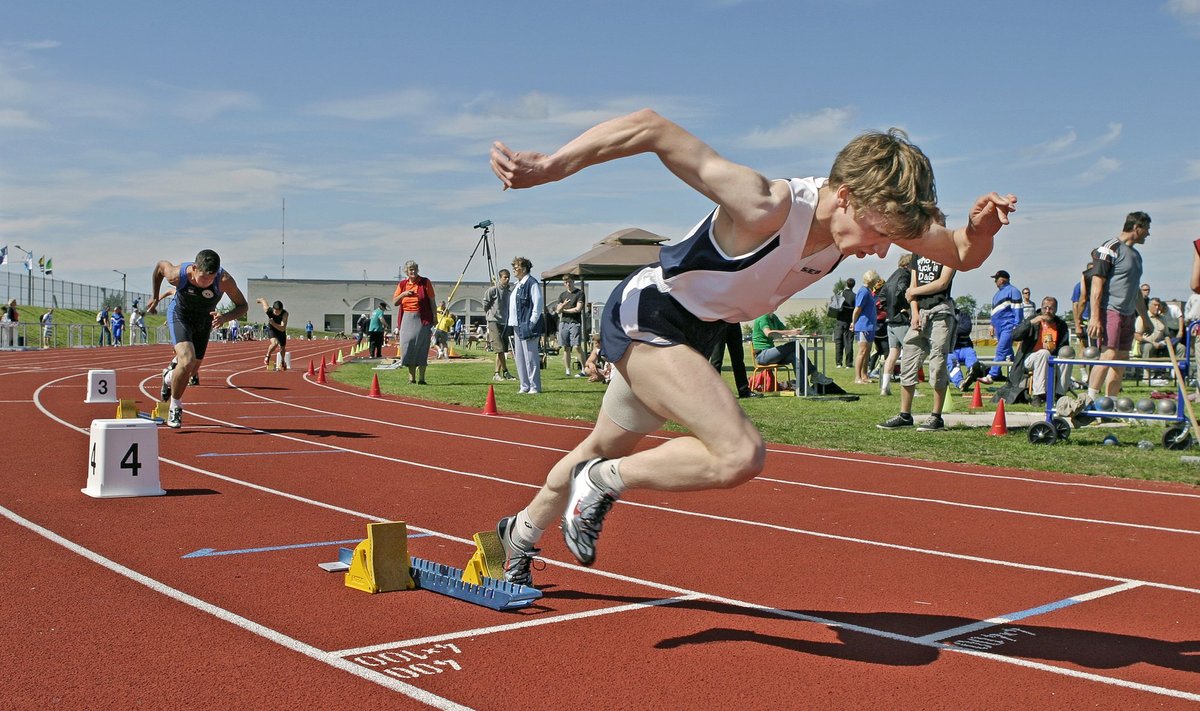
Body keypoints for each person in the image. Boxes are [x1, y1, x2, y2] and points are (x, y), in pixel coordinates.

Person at [487, 109, 1015, 585]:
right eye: (877, 235)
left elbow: (964, 252)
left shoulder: (873, 215)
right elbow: (651, 127)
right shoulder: (766, 206)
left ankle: (518, 534)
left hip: (701, 334)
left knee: (600, 445)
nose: (878, 250)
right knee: (738, 453)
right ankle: (602, 483)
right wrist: (554, 165)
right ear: (848, 195)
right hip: (652, 313)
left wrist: (981, 229)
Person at [149, 249, 249, 429]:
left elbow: (243, 306)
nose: (206, 283)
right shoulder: (177, 274)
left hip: (204, 320)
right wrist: (155, 297)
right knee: (186, 361)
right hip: (180, 315)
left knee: (192, 369)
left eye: (211, 279)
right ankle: (175, 406)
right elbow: (159, 267)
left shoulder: (224, 280)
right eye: (203, 278)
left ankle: (169, 377)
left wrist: (225, 317)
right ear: (194, 268)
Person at [878, 242, 956, 431]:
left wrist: (913, 292)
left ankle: (936, 417)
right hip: (919, 313)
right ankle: (905, 415)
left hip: (941, 312)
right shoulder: (917, 253)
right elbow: (912, 285)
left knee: (937, 364)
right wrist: (914, 312)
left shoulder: (949, 251)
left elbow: (942, 282)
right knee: (907, 363)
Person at [1086, 211, 1152, 401]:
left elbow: (1136, 291)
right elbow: (1096, 285)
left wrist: (1145, 319)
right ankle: (1088, 401)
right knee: (1109, 354)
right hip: (1110, 310)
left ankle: (1110, 405)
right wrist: (1095, 317)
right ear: (1136, 227)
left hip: (1128, 314)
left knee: (1122, 358)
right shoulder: (1110, 248)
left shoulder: (1137, 256)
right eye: (1146, 229)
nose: (1148, 234)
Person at [995, 296, 1071, 405]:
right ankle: (1038, 395)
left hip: (1052, 357)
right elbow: (1015, 335)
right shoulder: (1033, 319)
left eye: (1051, 308)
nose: (1047, 311)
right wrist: (1030, 323)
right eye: (1045, 308)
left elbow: (1064, 346)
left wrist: (1055, 350)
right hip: (1029, 358)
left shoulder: (1061, 325)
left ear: (1056, 309)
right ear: (1041, 308)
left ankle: (1060, 395)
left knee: (1066, 354)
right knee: (1044, 353)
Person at [750, 311, 833, 389]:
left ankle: (803, 388)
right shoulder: (763, 316)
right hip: (762, 355)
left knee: (794, 355)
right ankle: (814, 374)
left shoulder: (774, 317)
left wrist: (795, 333)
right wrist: (791, 332)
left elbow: (786, 332)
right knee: (794, 345)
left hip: (771, 354)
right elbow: (768, 333)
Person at [393, 260, 434, 385]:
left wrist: (435, 318)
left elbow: (432, 301)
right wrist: (404, 294)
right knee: (408, 346)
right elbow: (395, 302)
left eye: (415, 269)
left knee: (422, 346)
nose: (413, 271)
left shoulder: (425, 282)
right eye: (411, 269)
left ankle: (421, 378)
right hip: (407, 317)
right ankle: (411, 378)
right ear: (407, 271)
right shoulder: (402, 284)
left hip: (423, 318)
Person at [507, 256, 544, 394]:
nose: (514, 270)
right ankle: (524, 385)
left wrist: (532, 322)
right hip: (517, 325)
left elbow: (538, 303)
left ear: (523, 268)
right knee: (520, 358)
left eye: (516, 267)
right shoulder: (518, 284)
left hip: (527, 324)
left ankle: (534, 386)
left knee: (531, 357)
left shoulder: (531, 283)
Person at [878, 254, 913, 396]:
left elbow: (882, 299)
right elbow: (902, 291)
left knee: (893, 354)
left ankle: (884, 387)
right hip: (901, 320)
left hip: (890, 321)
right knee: (909, 352)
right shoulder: (905, 275)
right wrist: (906, 307)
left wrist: (890, 310)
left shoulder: (892, 276)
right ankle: (911, 387)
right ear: (909, 265)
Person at [985, 270, 1022, 382]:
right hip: (998, 328)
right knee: (1008, 353)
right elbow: (994, 312)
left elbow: (1018, 310)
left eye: (996, 279)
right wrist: (992, 325)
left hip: (1008, 327)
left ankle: (991, 375)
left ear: (1002, 279)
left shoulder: (1013, 291)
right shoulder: (996, 295)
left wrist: (1016, 326)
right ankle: (1020, 372)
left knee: (1001, 350)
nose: (995, 281)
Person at [708, 322, 759, 399]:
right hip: (718, 323)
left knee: (738, 360)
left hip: (734, 322)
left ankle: (744, 391)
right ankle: (713, 392)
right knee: (716, 361)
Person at [482, 269, 515, 381]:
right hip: (493, 321)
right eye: (505, 277)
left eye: (508, 277)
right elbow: (485, 303)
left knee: (503, 350)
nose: (507, 279)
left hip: (504, 322)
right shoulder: (493, 290)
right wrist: (490, 314)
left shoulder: (510, 292)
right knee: (499, 349)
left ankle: (496, 373)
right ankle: (505, 372)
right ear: (500, 277)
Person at [851, 270, 880, 384]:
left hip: (870, 325)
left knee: (867, 352)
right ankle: (857, 377)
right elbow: (857, 309)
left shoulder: (869, 291)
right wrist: (853, 322)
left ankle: (864, 375)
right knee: (862, 351)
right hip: (863, 325)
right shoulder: (863, 291)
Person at [556, 275, 588, 377]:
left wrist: (563, 309)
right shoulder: (562, 295)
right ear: (564, 284)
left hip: (575, 322)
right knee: (566, 347)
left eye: (569, 282)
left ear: (573, 282)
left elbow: (578, 309)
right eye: (566, 282)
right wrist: (562, 306)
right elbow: (557, 310)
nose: (568, 284)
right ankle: (568, 370)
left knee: (577, 346)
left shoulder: (579, 293)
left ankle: (584, 369)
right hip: (564, 322)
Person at [947, 306, 983, 391]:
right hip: (950, 350)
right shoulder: (942, 316)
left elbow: (966, 329)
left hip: (965, 347)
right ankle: (961, 383)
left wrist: (950, 330)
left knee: (971, 353)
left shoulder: (963, 315)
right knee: (951, 361)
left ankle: (972, 372)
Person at [1071, 258, 1096, 349]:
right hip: (1084, 320)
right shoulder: (1079, 286)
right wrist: (1077, 324)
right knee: (1085, 348)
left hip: (1096, 319)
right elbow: (1075, 305)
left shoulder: (1100, 284)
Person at [257, 298, 289, 370]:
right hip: (272, 329)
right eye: (275, 311)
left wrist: (273, 323)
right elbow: (264, 302)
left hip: (281, 330)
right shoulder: (269, 310)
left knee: (282, 348)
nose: (276, 313)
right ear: (273, 309)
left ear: (281, 310)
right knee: (274, 343)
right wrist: (259, 300)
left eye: (278, 312)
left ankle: (282, 361)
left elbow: (283, 328)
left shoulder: (285, 314)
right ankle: (267, 355)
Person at [831, 278, 855, 368]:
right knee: (849, 343)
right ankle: (848, 363)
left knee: (839, 343)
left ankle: (838, 363)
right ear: (853, 285)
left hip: (839, 321)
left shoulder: (841, 294)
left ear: (846, 284)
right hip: (849, 322)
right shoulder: (854, 296)